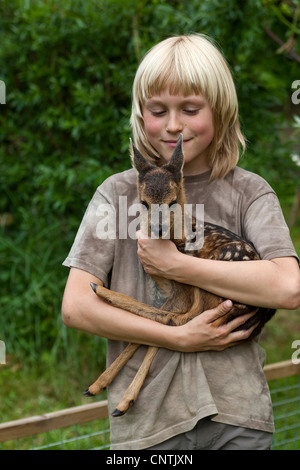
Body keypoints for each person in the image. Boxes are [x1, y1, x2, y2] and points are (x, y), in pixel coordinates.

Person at [61, 34, 300, 450]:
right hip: (149, 426)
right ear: (141, 115)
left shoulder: (248, 192)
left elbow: (288, 286)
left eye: (190, 109)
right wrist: (176, 336)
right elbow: (77, 306)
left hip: (236, 416)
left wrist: (178, 266)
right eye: (158, 110)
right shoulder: (116, 194)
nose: (174, 125)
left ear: (221, 110)